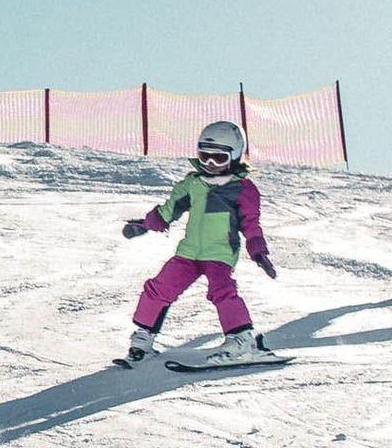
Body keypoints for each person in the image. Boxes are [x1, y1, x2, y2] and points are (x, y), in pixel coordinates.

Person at [119, 120, 278, 366]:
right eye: (205, 157)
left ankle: (241, 339)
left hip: (220, 253)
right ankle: (143, 338)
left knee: (222, 292)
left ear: (235, 157)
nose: (210, 164)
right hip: (189, 253)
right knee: (159, 287)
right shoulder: (192, 184)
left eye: (219, 158)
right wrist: (144, 225)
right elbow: (167, 211)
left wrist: (258, 252)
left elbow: (251, 225)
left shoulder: (242, 189)